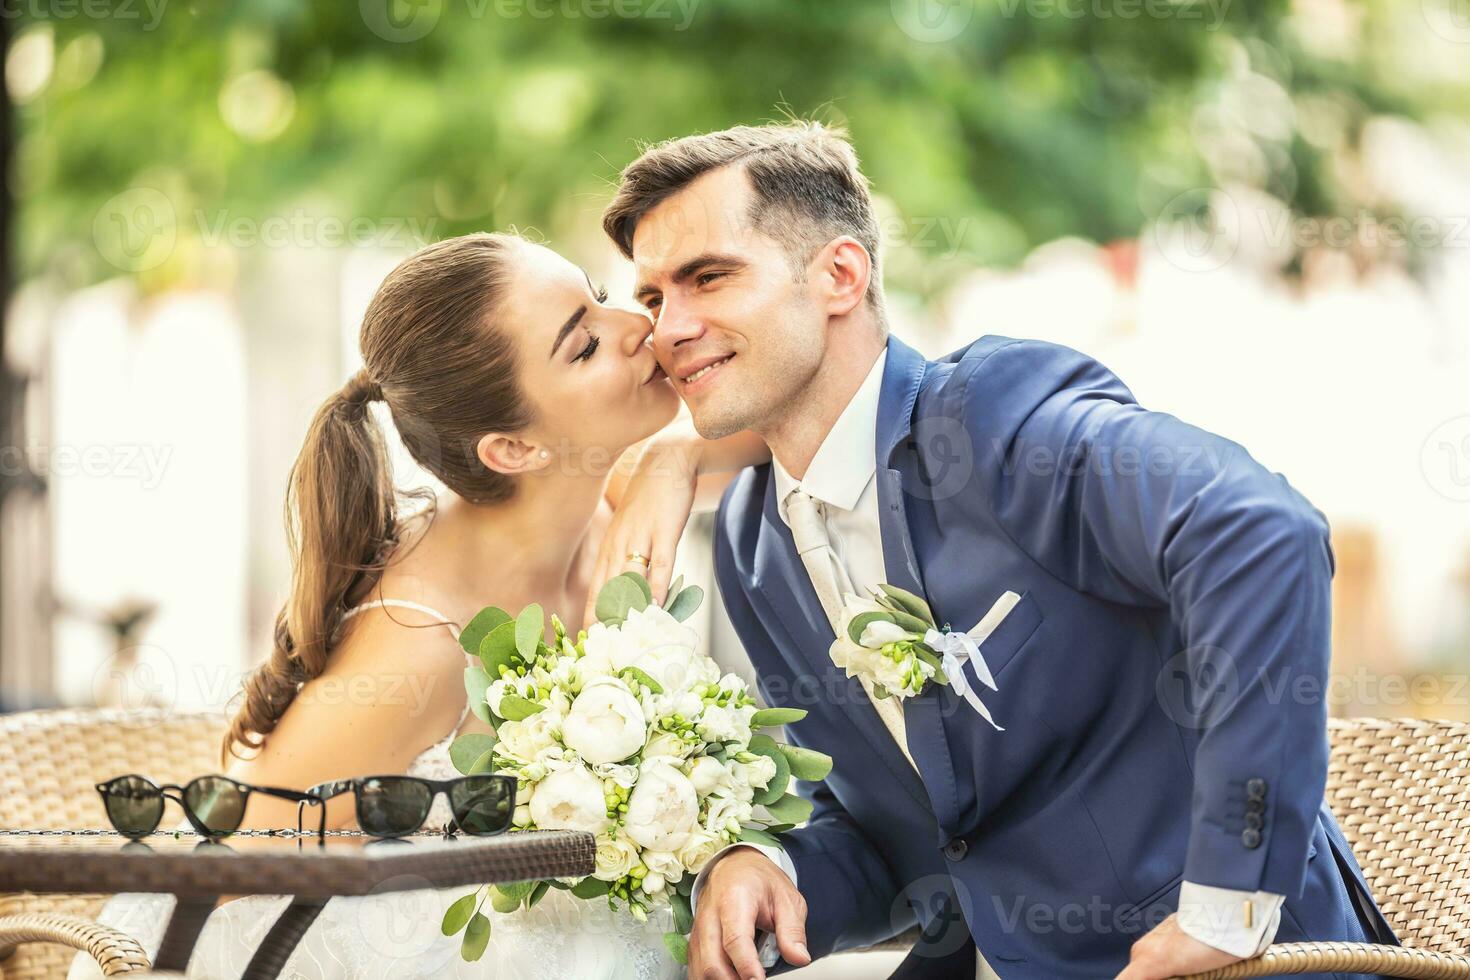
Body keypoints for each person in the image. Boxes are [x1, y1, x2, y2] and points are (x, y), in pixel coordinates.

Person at [599, 121, 1398, 980]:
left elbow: (1259, 531)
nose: (668, 328)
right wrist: (770, 867)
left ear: (839, 275)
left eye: (707, 278)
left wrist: (1229, 906)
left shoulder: (999, 422)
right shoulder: (753, 540)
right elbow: (908, 834)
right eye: (650, 299)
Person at [72, 231, 769, 980]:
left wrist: (680, 456)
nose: (639, 326)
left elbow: (794, 409)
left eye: (598, 296)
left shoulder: (608, 495)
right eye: (584, 346)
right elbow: (223, 881)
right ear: (512, 449)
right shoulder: (417, 644)